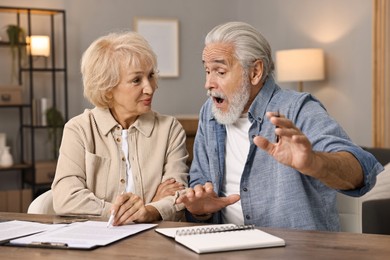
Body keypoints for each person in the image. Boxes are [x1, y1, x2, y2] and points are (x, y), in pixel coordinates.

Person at [176, 21, 384, 231]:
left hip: (294, 250)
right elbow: (200, 182)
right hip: (223, 246)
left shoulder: (297, 109)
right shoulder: (209, 114)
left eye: (220, 72)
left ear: (255, 72)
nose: (208, 84)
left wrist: (314, 162)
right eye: (207, 71)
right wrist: (199, 210)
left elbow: (363, 170)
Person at [51, 31, 189, 225]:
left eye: (151, 76)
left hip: (152, 242)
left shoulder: (170, 129)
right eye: (136, 80)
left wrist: (149, 210)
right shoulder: (78, 129)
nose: (149, 88)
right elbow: (66, 198)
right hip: (94, 240)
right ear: (108, 87)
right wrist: (144, 210)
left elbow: (179, 196)